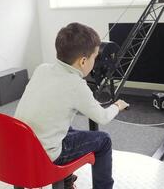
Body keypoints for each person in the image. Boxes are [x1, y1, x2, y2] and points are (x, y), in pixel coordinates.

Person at [14, 22, 129, 189]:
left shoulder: (42, 69)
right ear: (83, 61)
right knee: (104, 140)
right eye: (94, 57)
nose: (95, 61)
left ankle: (67, 183)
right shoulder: (76, 85)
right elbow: (102, 118)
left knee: (66, 127)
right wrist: (117, 105)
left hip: (20, 146)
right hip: (46, 155)